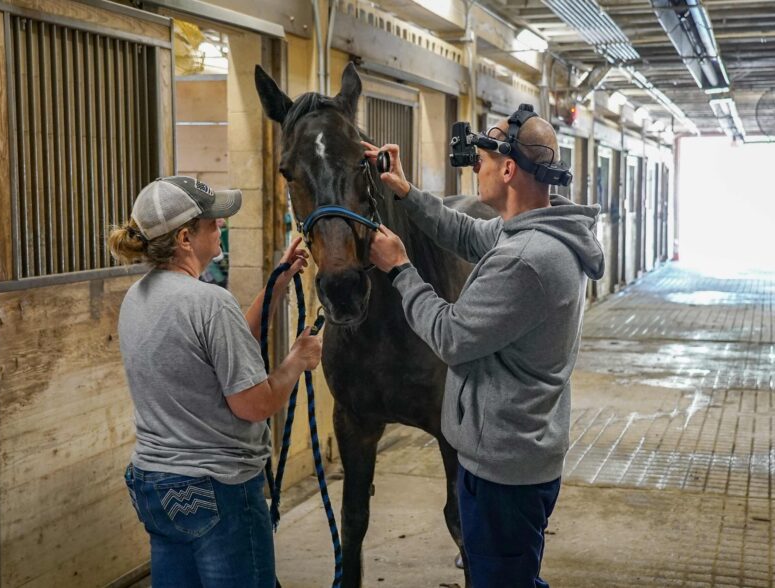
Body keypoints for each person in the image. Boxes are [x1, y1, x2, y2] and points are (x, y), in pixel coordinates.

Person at [365, 112, 605, 587]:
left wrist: (400, 270)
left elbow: (450, 337)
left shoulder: (525, 260)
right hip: (513, 452)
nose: (475, 170)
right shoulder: (529, 232)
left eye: (480, 162)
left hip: (504, 469)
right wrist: (406, 193)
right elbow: (464, 233)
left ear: (509, 170)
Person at [107, 176, 321, 587]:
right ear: (186, 238)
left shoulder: (138, 297)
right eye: (212, 223)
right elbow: (253, 404)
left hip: (156, 484)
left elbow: (222, 350)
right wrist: (296, 361)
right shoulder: (209, 302)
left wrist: (276, 284)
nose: (220, 227)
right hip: (217, 487)